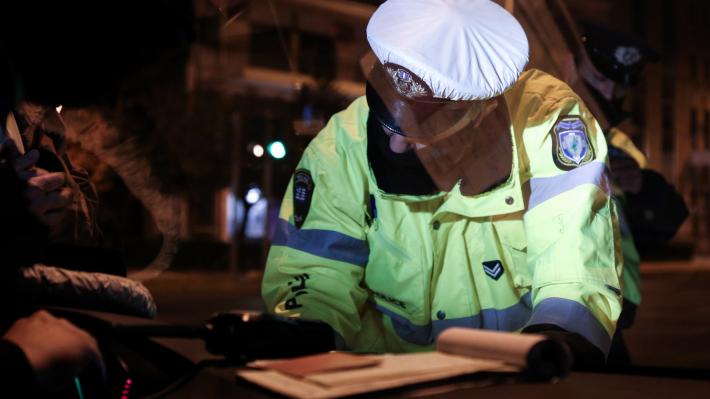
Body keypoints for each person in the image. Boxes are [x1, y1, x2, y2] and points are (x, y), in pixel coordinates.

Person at [263, 0, 623, 367]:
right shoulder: (342, 143)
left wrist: (557, 339)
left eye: (426, 126)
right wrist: (304, 331)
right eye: (390, 112)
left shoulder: (546, 119)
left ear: (479, 111)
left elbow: (573, 258)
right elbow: (315, 270)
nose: (397, 143)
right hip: (386, 378)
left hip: (514, 375)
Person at [578, 22, 688, 365]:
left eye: (617, 86)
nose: (609, 95)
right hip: (566, 305)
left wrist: (640, 188)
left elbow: (659, 227)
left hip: (609, 309)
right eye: (599, 81)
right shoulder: (544, 129)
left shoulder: (620, 144)